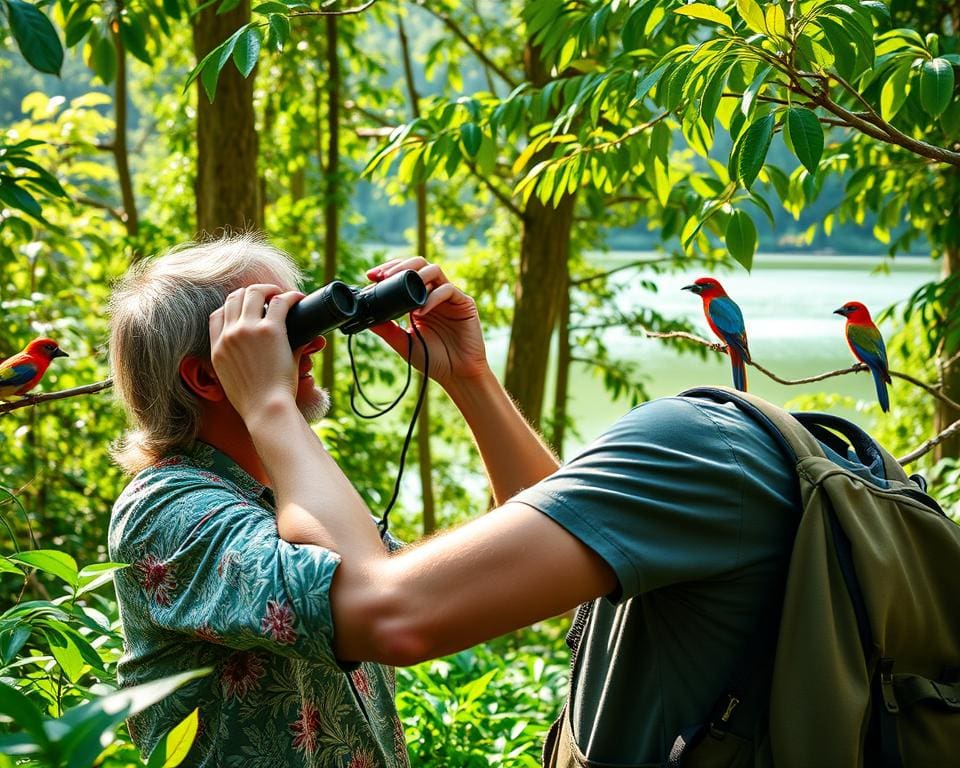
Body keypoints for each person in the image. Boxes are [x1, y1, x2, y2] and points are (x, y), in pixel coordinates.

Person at [109, 232, 808, 767]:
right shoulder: (167, 513)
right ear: (207, 377)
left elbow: (565, 567)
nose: (310, 341)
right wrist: (267, 401)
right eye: (272, 326)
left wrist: (469, 380)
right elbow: (391, 614)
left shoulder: (286, 498)